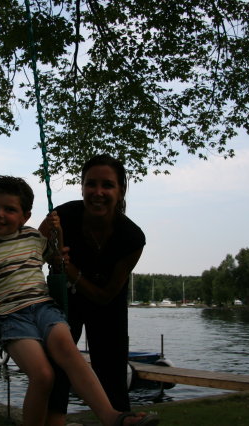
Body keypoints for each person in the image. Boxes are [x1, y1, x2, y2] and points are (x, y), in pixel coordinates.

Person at [0, 175, 158, 426]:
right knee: (43, 375)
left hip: (44, 308)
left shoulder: (33, 237)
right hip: (10, 316)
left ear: (25, 216)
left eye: (9, 209)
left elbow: (56, 259)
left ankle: (112, 416)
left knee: (69, 352)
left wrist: (59, 234)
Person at [38, 154, 146, 425]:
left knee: (112, 368)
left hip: (108, 303)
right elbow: (29, 256)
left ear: (121, 191)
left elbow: (105, 296)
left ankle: (120, 418)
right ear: (82, 187)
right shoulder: (61, 217)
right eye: (91, 184)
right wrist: (47, 254)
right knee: (57, 366)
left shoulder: (132, 237)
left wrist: (69, 269)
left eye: (107, 185)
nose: (98, 192)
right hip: (65, 301)